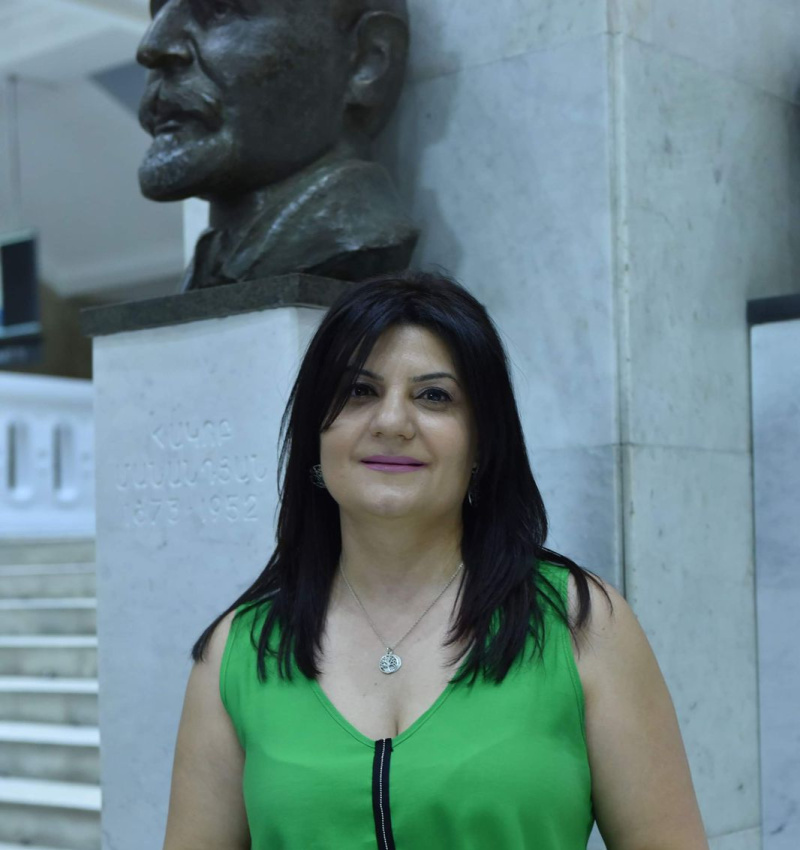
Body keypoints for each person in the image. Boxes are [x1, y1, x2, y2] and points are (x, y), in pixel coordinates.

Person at [162, 271, 709, 849]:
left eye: (434, 396)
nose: (392, 423)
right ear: (315, 438)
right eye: (359, 391)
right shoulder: (237, 652)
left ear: (481, 443)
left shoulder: (580, 625)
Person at [136, 0, 418, 291]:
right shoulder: (210, 263)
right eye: (158, 13)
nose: (152, 47)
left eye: (219, 8)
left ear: (367, 61)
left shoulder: (353, 239)